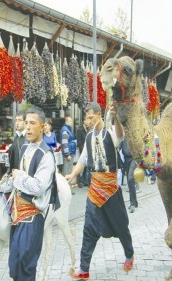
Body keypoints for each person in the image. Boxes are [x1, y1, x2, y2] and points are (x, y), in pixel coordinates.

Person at [65, 102, 134, 279]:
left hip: (111, 189)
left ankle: (129, 254)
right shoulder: (88, 137)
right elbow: (83, 158)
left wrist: (117, 118)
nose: (87, 121)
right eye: (86, 118)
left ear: (99, 115)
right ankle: (84, 269)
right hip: (95, 189)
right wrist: (72, 174)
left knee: (121, 226)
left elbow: (120, 135)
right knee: (89, 229)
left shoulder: (110, 132)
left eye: (90, 117)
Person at [7, 106, 58, 281]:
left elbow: (37, 187)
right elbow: (15, 180)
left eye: (32, 123)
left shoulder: (46, 155)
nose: (27, 127)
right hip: (18, 214)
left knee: (26, 264)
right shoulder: (24, 149)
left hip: (33, 215)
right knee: (15, 263)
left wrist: (19, 176)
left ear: (43, 126)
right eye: (26, 123)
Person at [120, 138, 139, 213]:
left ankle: (132, 203)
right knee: (129, 181)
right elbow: (118, 147)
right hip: (126, 160)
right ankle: (135, 201)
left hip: (134, 159)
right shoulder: (122, 137)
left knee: (130, 178)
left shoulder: (132, 133)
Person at [60, 116, 77, 188]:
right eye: (70, 121)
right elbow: (64, 143)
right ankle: (65, 188)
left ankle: (67, 187)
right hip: (69, 154)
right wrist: (67, 154)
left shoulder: (67, 129)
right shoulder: (65, 130)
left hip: (71, 152)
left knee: (68, 171)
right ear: (66, 122)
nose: (71, 123)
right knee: (67, 171)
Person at [76, 116, 90, 188]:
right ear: (84, 121)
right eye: (87, 119)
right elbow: (79, 142)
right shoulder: (80, 130)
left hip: (87, 149)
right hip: (82, 149)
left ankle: (85, 181)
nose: (88, 121)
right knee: (81, 166)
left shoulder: (88, 129)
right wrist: (82, 149)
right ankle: (80, 181)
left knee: (86, 166)